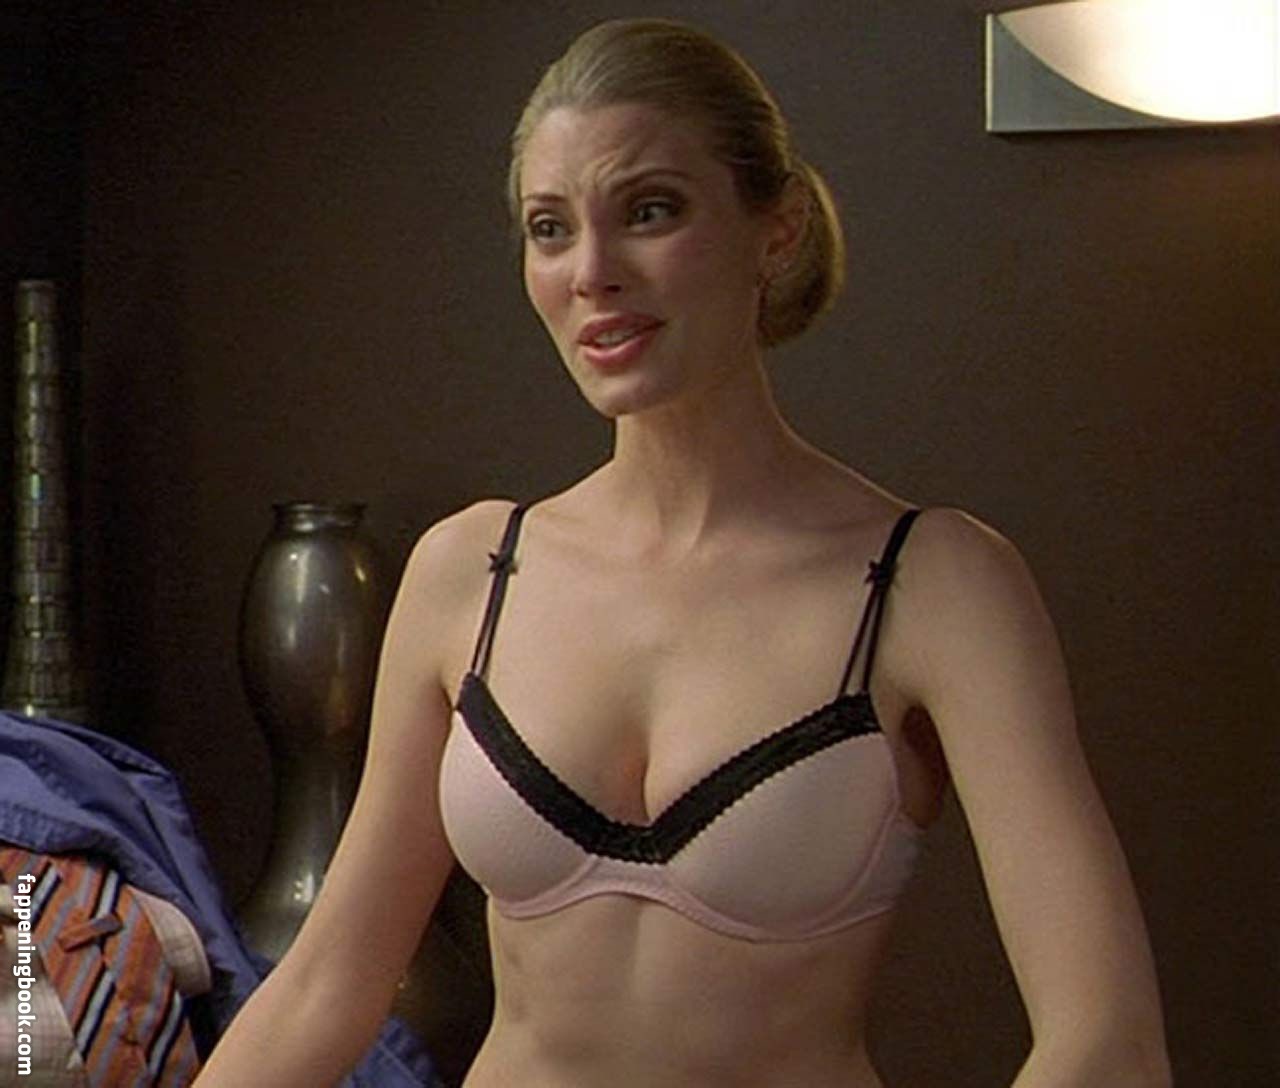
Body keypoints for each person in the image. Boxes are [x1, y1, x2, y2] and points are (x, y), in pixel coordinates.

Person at [196, 18, 1171, 1087]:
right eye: (550, 228)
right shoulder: (470, 571)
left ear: (776, 231)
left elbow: (1105, 1042)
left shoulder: (931, 584)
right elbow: (327, 983)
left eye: (650, 211)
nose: (593, 273)